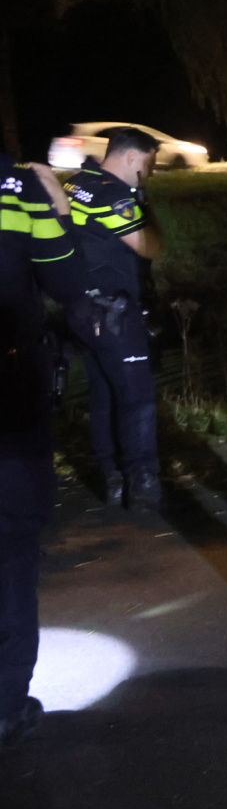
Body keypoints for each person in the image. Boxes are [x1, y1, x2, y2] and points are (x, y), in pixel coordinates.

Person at [1, 159, 84, 750]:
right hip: (9, 398)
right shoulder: (18, 186)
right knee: (11, 550)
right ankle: (5, 708)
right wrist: (56, 202)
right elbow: (67, 281)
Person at [61, 126, 165, 509]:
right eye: (149, 163)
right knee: (137, 397)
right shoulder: (116, 197)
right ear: (134, 158)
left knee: (103, 394)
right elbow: (151, 247)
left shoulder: (79, 183)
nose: (149, 172)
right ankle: (144, 485)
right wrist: (148, 209)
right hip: (115, 314)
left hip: (82, 309)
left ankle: (112, 478)